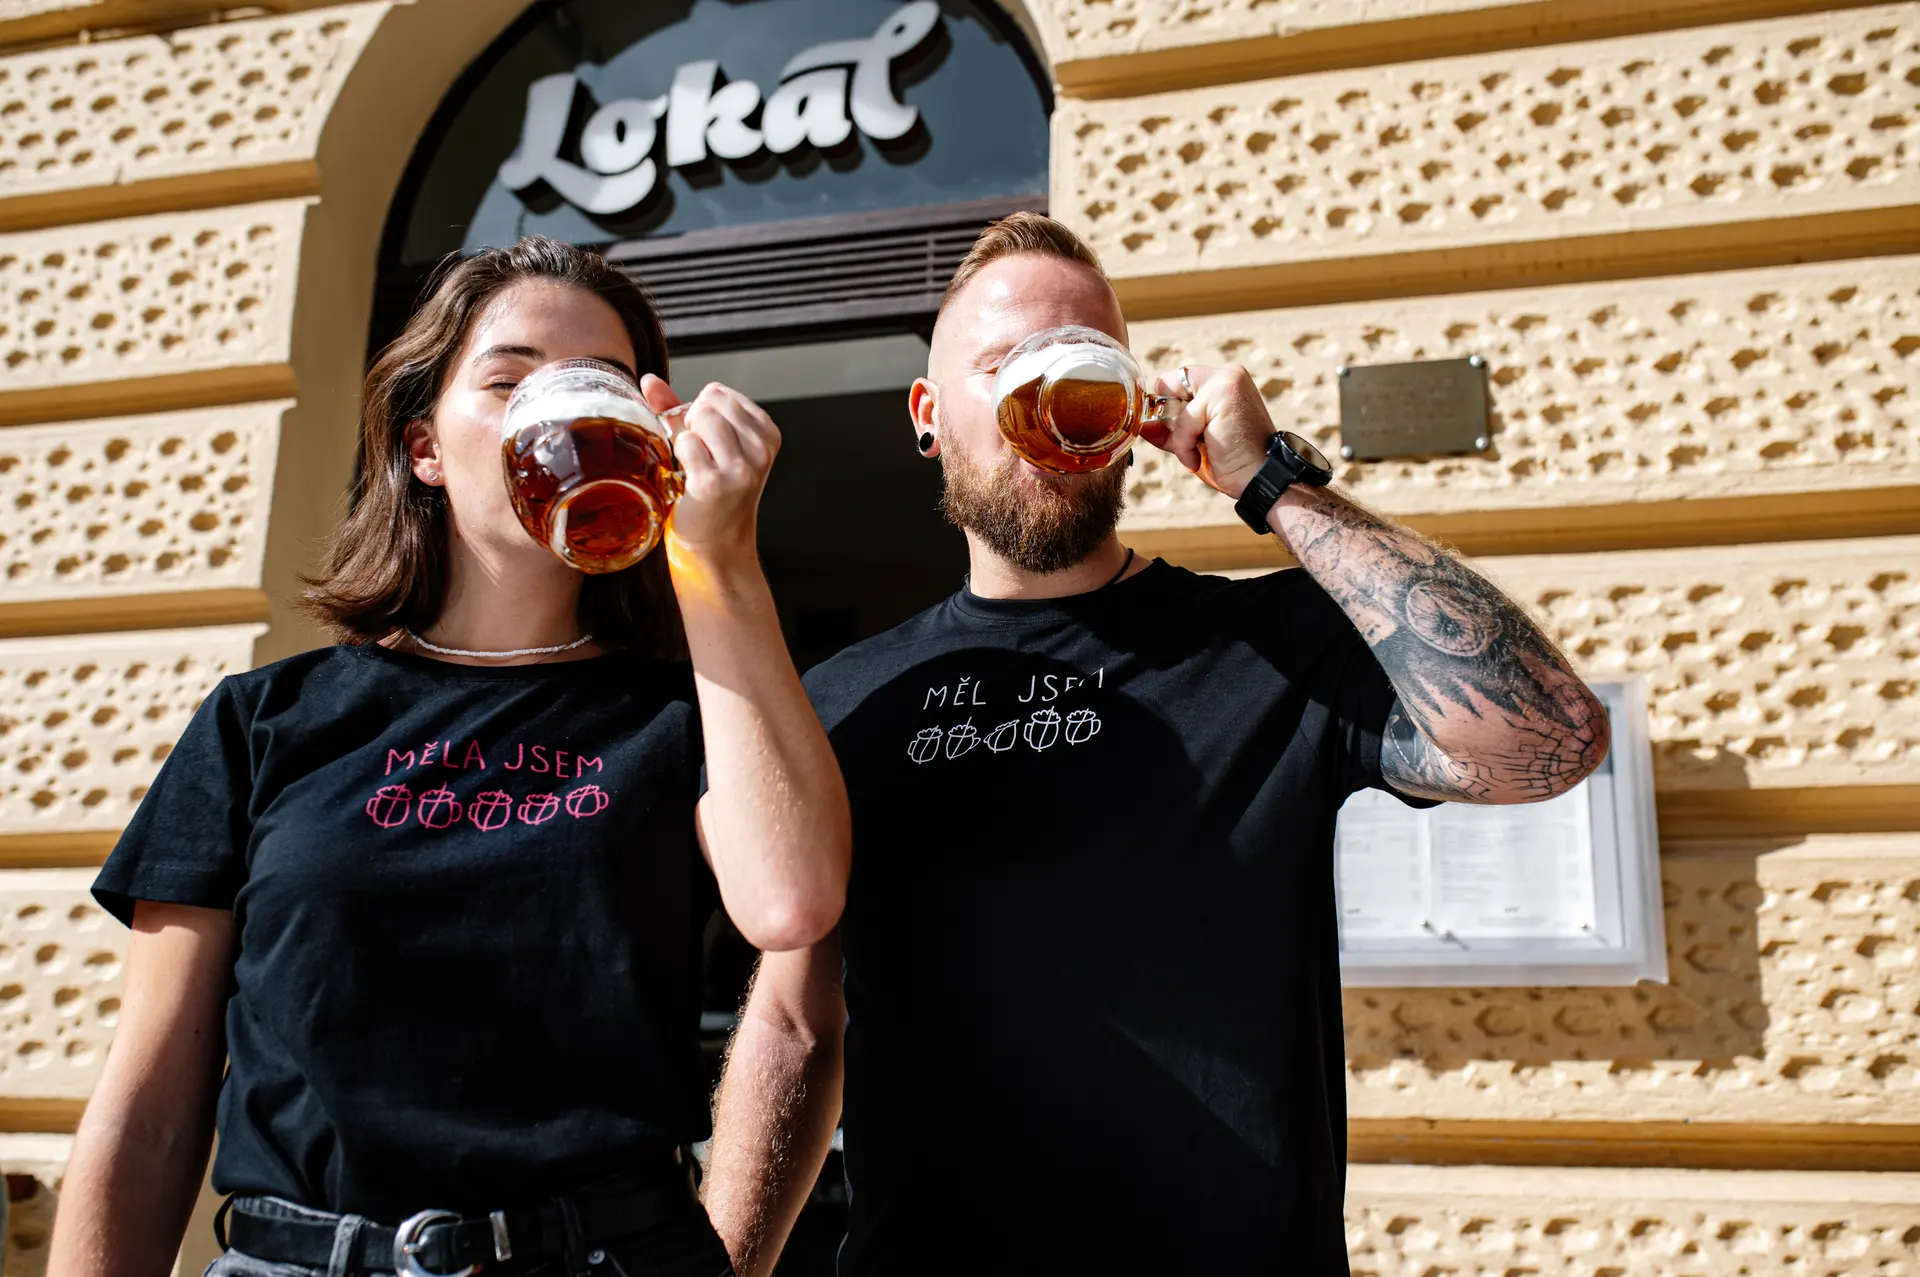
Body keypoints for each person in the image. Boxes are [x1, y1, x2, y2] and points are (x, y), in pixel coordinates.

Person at [704, 213, 1609, 1276]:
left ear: (1130, 400)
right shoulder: (846, 697)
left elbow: (1549, 738)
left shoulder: (1270, 642)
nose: (1036, 392)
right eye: (998, 363)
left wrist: (1271, 482)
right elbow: (798, 1024)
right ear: (928, 414)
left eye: (1080, 357)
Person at [48, 237, 850, 1277]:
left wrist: (720, 557)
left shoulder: (684, 712)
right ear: (425, 445)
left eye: (599, 385)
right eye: (510, 379)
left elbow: (791, 904)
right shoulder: (265, 719)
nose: (556, 409)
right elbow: (150, 1097)